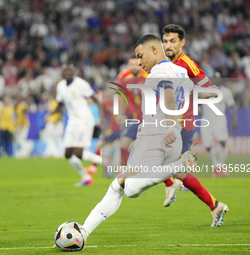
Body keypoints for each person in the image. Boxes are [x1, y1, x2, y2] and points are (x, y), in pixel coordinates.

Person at [79, 34, 197, 242]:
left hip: (159, 136)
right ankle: (83, 232)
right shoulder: (179, 70)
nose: (140, 62)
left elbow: (168, 98)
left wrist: (168, 126)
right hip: (162, 136)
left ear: (154, 50)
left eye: (140, 56)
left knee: (130, 189)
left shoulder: (159, 71)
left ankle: (178, 166)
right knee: (118, 184)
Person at [161, 24, 229, 226]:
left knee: (156, 159)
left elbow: (213, 91)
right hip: (171, 121)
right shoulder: (166, 63)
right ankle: (215, 205)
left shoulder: (187, 64)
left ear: (182, 42)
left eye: (173, 41)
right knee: (169, 166)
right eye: (165, 41)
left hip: (182, 122)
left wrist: (189, 92)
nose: (168, 45)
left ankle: (172, 184)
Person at [50, 64, 103, 186]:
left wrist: (101, 116)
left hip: (84, 120)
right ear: (61, 73)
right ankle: (86, 178)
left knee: (79, 153)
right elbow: (59, 104)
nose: (66, 73)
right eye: (64, 71)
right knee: (68, 154)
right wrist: (51, 114)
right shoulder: (61, 86)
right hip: (72, 122)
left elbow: (95, 99)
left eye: (69, 71)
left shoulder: (81, 84)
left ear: (73, 72)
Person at [201, 73, 238, 178]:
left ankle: (221, 164)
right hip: (206, 121)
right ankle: (216, 165)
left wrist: (235, 120)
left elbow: (232, 105)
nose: (215, 80)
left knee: (222, 142)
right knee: (208, 147)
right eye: (213, 78)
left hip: (220, 120)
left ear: (220, 79)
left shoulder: (225, 92)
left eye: (217, 78)